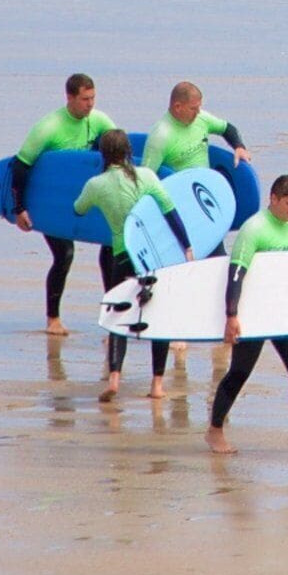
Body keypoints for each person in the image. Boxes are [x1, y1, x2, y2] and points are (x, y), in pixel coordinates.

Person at [211, 177, 288, 455]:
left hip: (283, 315)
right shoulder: (254, 229)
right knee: (240, 373)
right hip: (253, 315)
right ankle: (214, 431)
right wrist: (231, 315)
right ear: (274, 199)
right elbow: (236, 273)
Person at [71, 132, 181, 402]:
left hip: (120, 255)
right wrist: (186, 246)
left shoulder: (96, 184)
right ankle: (156, 385)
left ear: (103, 155)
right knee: (158, 319)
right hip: (150, 256)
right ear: (130, 151)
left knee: (118, 315)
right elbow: (170, 211)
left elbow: (78, 209)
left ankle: (115, 379)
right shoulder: (147, 176)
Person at [8, 73, 119, 337]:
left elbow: (118, 150)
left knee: (110, 249)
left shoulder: (99, 120)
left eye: (92, 98)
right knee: (64, 255)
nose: (90, 104)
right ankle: (53, 319)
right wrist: (20, 209)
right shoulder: (48, 127)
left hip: (89, 198)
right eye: (84, 99)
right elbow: (21, 167)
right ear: (69, 97)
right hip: (53, 202)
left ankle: (113, 321)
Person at [142, 81, 246, 187]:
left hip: (207, 189)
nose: (198, 113)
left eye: (199, 107)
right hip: (182, 194)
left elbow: (227, 128)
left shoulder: (201, 118)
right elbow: (145, 180)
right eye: (193, 109)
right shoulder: (160, 136)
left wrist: (239, 147)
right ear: (178, 107)